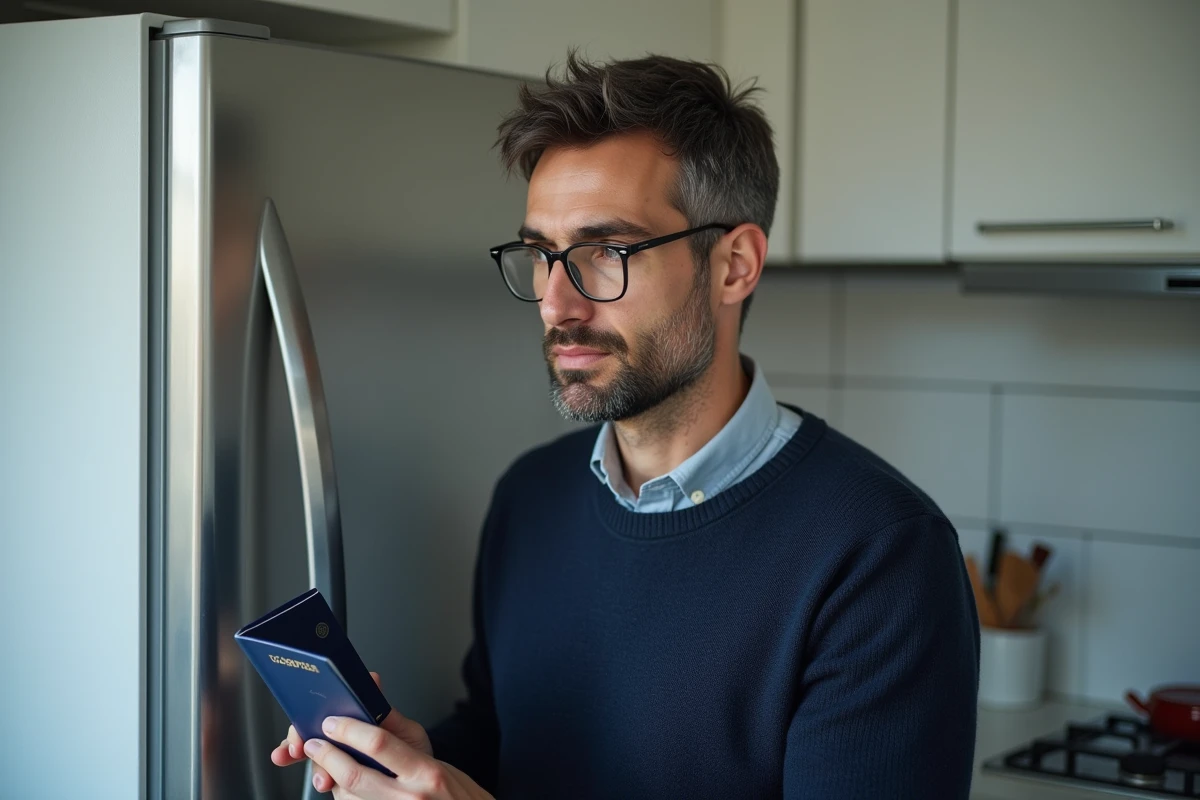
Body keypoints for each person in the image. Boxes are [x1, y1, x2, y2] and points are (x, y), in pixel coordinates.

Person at [272, 51, 980, 799]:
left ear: (734, 265)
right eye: (543, 254)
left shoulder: (881, 556)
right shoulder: (530, 498)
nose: (557, 303)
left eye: (605, 252)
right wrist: (416, 763)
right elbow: (505, 746)